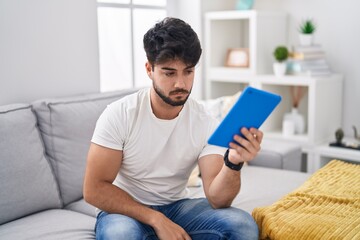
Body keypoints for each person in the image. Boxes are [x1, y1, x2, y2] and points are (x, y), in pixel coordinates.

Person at [83, 17, 263, 240]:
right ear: (149, 69)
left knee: (242, 225)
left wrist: (234, 161)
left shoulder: (204, 120)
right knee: (121, 235)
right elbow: (93, 189)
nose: (181, 84)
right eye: (169, 73)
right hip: (125, 210)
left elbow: (218, 200)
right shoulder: (120, 114)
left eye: (188, 72)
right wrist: (156, 219)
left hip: (177, 207)